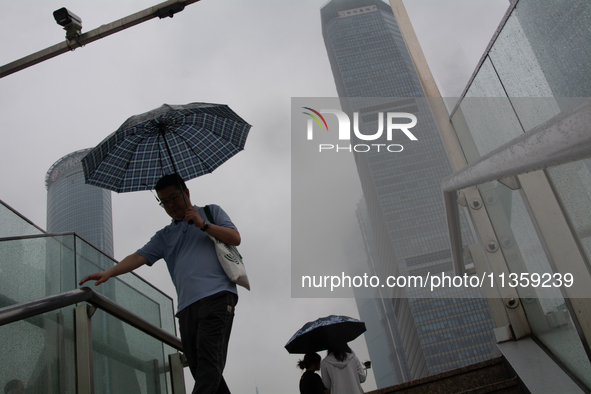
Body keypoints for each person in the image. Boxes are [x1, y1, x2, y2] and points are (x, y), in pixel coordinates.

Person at [79, 173, 241, 394]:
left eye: (173, 197)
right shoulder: (164, 236)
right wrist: (109, 272)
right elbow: (138, 257)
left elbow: (235, 237)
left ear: (186, 192)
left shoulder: (210, 212)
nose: (170, 205)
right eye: (163, 201)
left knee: (208, 363)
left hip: (218, 297)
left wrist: (203, 225)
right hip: (186, 308)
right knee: (201, 369)